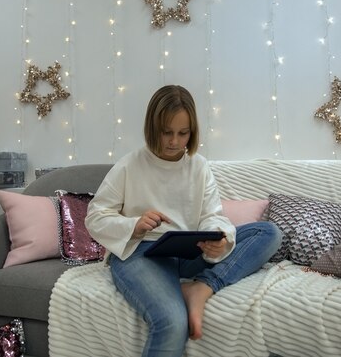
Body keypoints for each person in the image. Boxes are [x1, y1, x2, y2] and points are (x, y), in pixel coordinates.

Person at [85, 84, 282, 357]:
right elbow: (95, 217)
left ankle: (202, 287)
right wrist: (133, 225)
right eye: (166, 132)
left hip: (188, 251)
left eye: (183, 133)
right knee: (172, 322)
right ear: (152, 127)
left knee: (268, 232)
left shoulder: (198, 166)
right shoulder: (130, 165)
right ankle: (195, 289)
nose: (174, 142)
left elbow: (213, 215)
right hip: (142, 254)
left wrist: (219, 240)